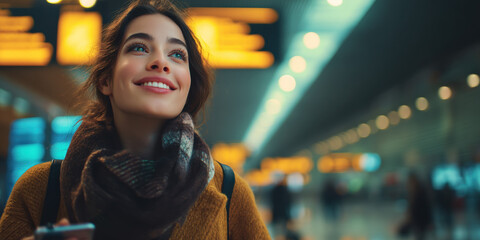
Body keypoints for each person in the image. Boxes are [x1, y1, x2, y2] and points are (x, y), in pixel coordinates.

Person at [0, 0, 270, 239]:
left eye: (177, 54)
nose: (160, 62)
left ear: (187, 87)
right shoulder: (41, 189)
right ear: (106, 80)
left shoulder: (231, 192)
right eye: (139, 48)